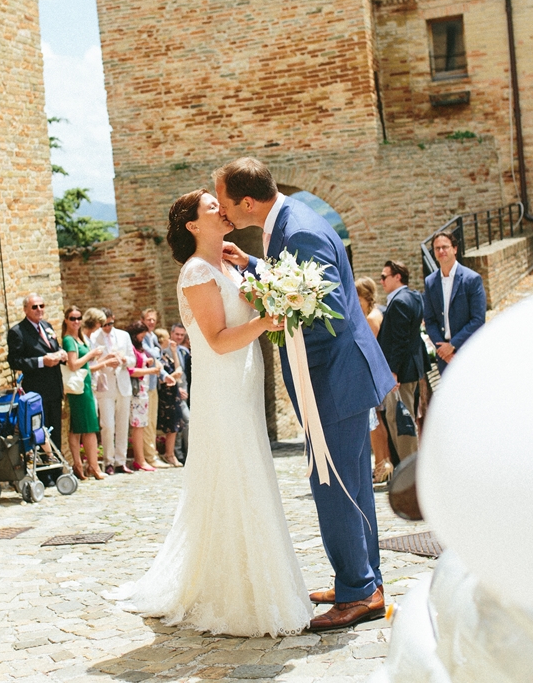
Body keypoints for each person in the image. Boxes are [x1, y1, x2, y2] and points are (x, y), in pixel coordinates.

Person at [107, 189, 311, 637]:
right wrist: (266, 322)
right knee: (235, 473)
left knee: (249, 469)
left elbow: (244, 313)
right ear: (193, 226)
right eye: (210, 206)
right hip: (223, 387)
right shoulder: (197, 272)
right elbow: (217, 340)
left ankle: (257, 578)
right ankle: (235, 592)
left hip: (243, 380)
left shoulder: (226, 264)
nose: (221, 208)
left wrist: (270, 293)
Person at [216, 157, 395, 632]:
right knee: (352, 485)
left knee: (333, 485)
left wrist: (271, 315)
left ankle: (358, 591)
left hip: (334, 380)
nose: (226, 214)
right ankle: (362, 581)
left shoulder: (298, 230)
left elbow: (328, 312)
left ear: (247, 202)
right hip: (339, 380)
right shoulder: (290, 222)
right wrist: (253, 264)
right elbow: (298, 282)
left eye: (227, 203)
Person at [378, 259, 430, 457]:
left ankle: (410, 473)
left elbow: (399, 340)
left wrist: (393, 372)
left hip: (401, 373)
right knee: (405, 418)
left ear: (397, 277)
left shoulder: (399, 301)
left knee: (400, 420)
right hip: (413, 368)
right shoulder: (414, 296)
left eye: (384, 277)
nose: (381, 281)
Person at [7, 294, 67, 452]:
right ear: (26, 310)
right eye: (34, 307)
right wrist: (41, 361)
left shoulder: (46, 326)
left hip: (54, 388)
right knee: (40, 433)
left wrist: (61, 353)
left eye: (42, 306)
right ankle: (45, 474)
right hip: (36, 391)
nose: (39, 310)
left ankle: (56, 472)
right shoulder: (18, 332)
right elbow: (15, 361)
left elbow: (54, 347)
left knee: (55, 433)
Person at [422, 230, 487, 374]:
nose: (441, 251)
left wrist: (452, 345)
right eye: (437, 248)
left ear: (455, 249)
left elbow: (478, 319)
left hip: (467, 351)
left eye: (445, 247)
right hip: (444, 357)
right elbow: (430, 320)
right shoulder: (430, 282)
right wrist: (442, 349)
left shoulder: (472, 279)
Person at [61, 306, 109, 480]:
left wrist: (103, 360)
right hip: (79, 390)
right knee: (86, 428)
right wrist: (91, 354)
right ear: (66, 320)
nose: (76, 322)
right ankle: (91, 466)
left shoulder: (79, 338)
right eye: (72, 318)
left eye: (78, 318)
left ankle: (83, 465)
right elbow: (73, 364)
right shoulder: (68, 340)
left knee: (84, 427)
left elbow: (86, 367)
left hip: (86, 385)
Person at [355, 277, 394, 484]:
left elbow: (369, 350)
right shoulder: (376, 312)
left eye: (357, 298)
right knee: (377, 421)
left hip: (371, 376)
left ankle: (381, 464)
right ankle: (384, 462)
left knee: (374, 424)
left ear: (365, 297)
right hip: (376, 375)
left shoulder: (370, 319)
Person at [88, 307, 132, 475]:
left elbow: (133, 359)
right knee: (107, 425)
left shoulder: (123, 335)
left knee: (122, 424)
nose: (107, 327)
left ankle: (121, 461)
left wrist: (124, 360)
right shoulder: (93, 337)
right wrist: (106, 362)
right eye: (104, 325)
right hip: (104, 384)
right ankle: (108, 461)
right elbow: (92, 362)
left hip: (122, 383)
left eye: (110, 324)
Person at [125, 322, 161, 473]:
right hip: (136, 391)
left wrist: (147, 361)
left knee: (142, 424)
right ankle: (139, 459)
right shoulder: (131, 348)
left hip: (143, 390)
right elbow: (131, 371)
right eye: (142, 334)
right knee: (138, 425)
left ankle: (142, 459)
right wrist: (150, 370)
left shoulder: (138, 347)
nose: (144, 337)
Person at [154, 328, 186, 467]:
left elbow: (178, 368)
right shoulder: (158, 358)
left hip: (173, 394)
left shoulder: (166, 356)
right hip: (165, 395)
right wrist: (174, 376)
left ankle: (171, 453)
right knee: (170, 426)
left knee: (175, 424)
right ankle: (169, 453)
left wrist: (174, 351)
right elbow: (161, 379)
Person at [140, 308, 166, 468]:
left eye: (153, 319)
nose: (151, 322)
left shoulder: (153, 336)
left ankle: (153, 453)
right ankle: (150, 456)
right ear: (143, 320)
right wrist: (156, 352)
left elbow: (157, 355)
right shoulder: (143, 337)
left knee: (153, 420)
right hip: (145, 383)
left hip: (153, 382)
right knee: (147, 422)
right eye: (148, 319)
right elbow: (153, 354)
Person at [170, 322, 191, 462]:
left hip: (184, 393)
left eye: (182, 335)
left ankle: (184, 453)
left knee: (183, 422)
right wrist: (178, 390)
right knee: (184, 421)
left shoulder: (184, 351)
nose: (179, 337)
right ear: (171, 333)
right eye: (177, 334)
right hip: (171, 392)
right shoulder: (165, 350)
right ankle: (179, 453)